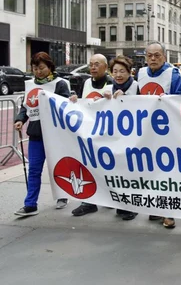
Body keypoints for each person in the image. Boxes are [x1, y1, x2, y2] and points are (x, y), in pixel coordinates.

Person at [14, 52, 70, 216]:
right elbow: (26, 106)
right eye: (35, 68)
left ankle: (62, 195)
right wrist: (20, 119)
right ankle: (30, 204)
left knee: (58, 167)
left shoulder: (59, 84)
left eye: (41, 68)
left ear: (49, 67)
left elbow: (65, 105)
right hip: (36, 135)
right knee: (34, 169)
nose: (38, 71)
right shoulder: (30, 85)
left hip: (55, 135)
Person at [138, 41, 181, 229]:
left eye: (157, 55)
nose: (153, 59)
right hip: (147, 131)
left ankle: (169, 212)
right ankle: (156, 206)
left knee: (167, 172)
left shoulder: (173, 74)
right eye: (149, 55)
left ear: (164, 56)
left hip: (168, 131)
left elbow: (180, 99)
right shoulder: (140, 73)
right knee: (151, 171)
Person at [70, 54, 113, 217]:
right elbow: (83, 104)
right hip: (89, 132)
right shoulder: (87, 82)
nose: (93, 67)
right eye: (91, 64)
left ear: (105, 67)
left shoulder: (111, 83)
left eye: (97, 64)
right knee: (88, 166)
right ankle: (88, 202)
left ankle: (111, 198)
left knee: (108, 168)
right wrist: (75, 100)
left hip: (107, 134)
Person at [102, 55, 139, 221]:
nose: (118, 75)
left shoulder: (137, 87)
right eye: (115, 71)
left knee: (131, 171)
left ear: (130, 72)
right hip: (115, 137)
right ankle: (121, 204)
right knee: (118, 171)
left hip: (134, 137)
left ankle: (132, 206)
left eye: (122, 71)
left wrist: (126, 98)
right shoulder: (108, 88)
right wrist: (101, 100)